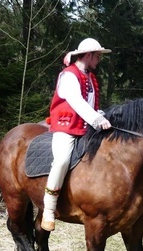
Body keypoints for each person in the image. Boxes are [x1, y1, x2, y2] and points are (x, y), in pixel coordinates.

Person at [41, 38, 112, 231]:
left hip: (85, 127)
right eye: (97, 56)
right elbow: (76, 102)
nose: (99, 60)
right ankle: (48, 209)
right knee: (62, 160)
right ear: (88, 55)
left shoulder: (90, 77)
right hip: (66, 127)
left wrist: (104, 116)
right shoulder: (68, 75)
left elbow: (91, 106)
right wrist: (96, 120)